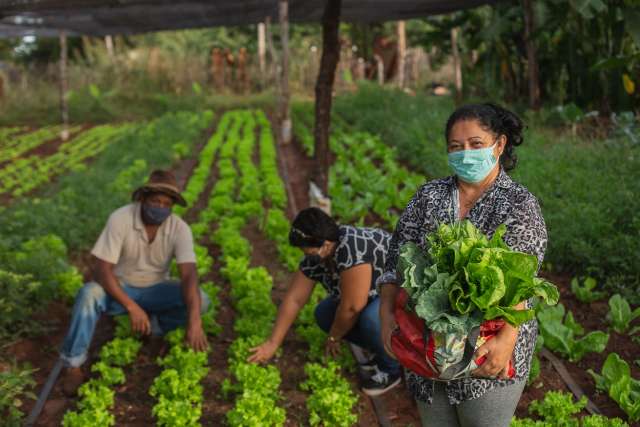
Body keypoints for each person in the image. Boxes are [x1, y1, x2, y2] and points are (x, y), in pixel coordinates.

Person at [378, 103, 547, 427]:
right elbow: (395, 258)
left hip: (488, 349)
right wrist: (386, 315)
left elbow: (522, 279)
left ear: (499, 145)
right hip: (425, 344)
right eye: (456, 147)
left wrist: (508, 338)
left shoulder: (519, 204)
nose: (465, 154)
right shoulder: (428, 196)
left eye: (475, 144)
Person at [59, 170, 210, 395]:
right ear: (142, 199)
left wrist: (194, 321)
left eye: (166, 204)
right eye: (155, 201)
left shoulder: (179, 228)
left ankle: (154, 329)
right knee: (89, 294)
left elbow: (188, 275)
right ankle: (73, 364)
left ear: (172, 207)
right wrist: (131, 306)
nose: (160, 207)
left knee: (202, 300)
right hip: (119, 288)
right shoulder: (120, 219)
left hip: (155, 289)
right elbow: (102, 270)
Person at [248, 207, 402, 396]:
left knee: (370, 319)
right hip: (373, 295)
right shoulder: (317, 255)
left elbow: (353, 307)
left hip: (401, 294)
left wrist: (333, 337)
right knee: (324, 314)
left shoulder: (353, 247)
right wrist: (273, 343)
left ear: (326, 244)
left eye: (308, 250)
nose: (306, 255)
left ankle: (392, 368)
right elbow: (295, 299)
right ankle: (382, 349)